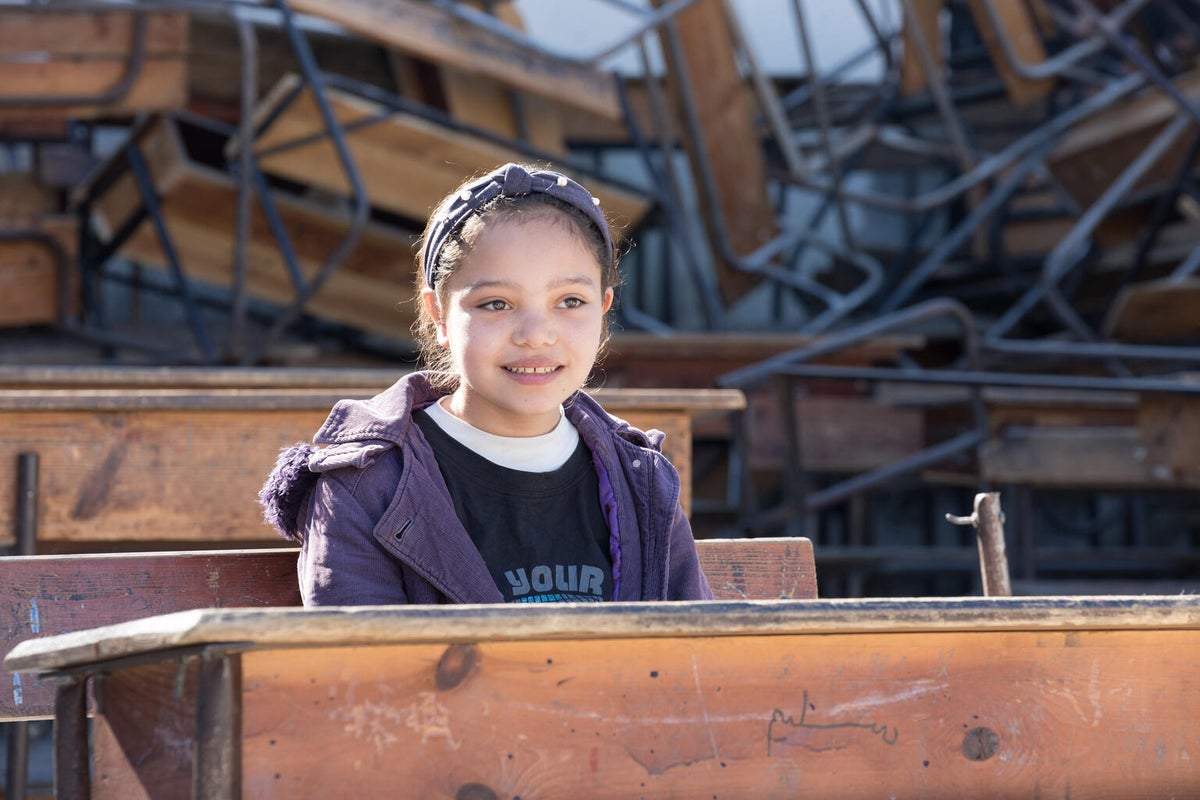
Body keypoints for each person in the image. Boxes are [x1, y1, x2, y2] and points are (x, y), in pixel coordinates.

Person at [259, 162, 713, 605]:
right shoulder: (367, 485)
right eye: (496, 303)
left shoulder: (643, 482)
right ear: (439, 314)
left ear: (603, 308)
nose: (536, 333)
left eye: (570, 301)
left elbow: (700, 659)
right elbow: (359, 669)